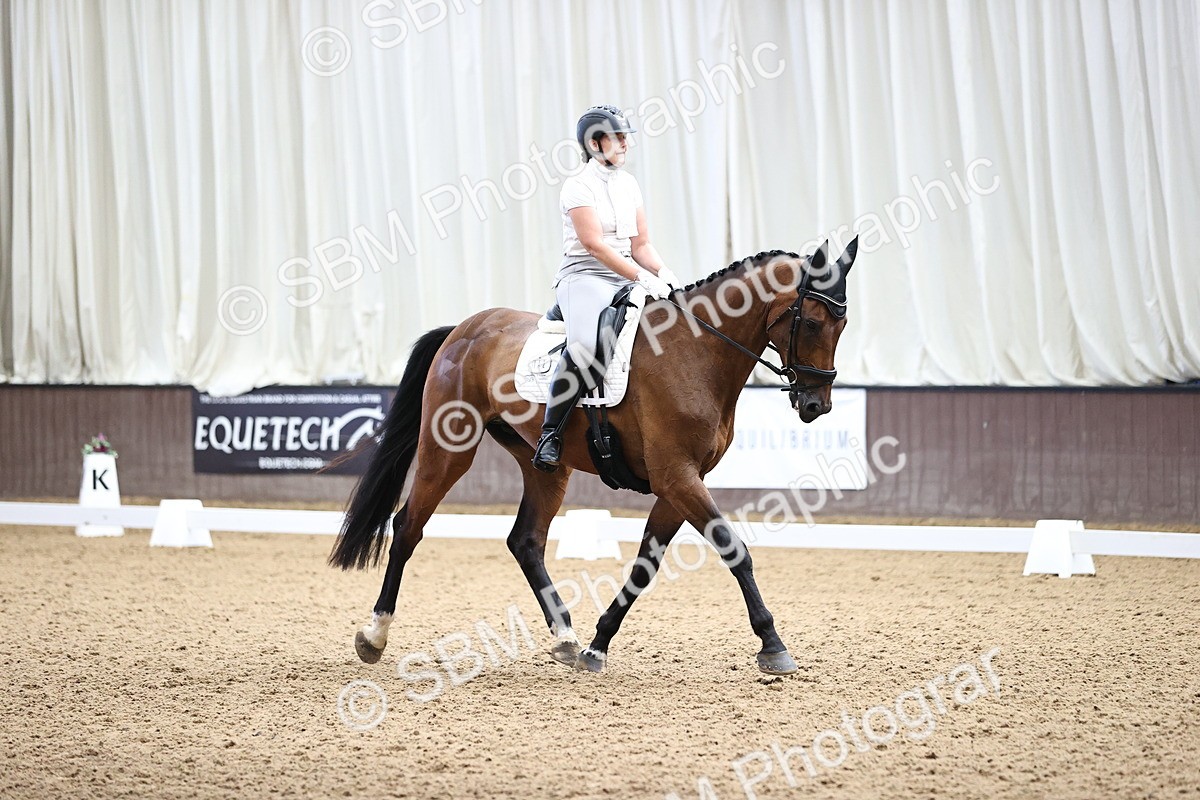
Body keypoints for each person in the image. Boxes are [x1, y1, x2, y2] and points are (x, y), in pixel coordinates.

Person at [531, 104, 681, 473]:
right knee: (585, 346)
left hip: (626, 273)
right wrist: (641, 278)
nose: (626, 144)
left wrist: (667, 274)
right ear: (595, 144)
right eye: (618, 137)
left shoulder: (628, 184)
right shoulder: (577, 186)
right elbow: (595, 245)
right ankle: (551, 433)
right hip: (584, 276)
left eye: (626, 137)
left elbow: (641, 244)